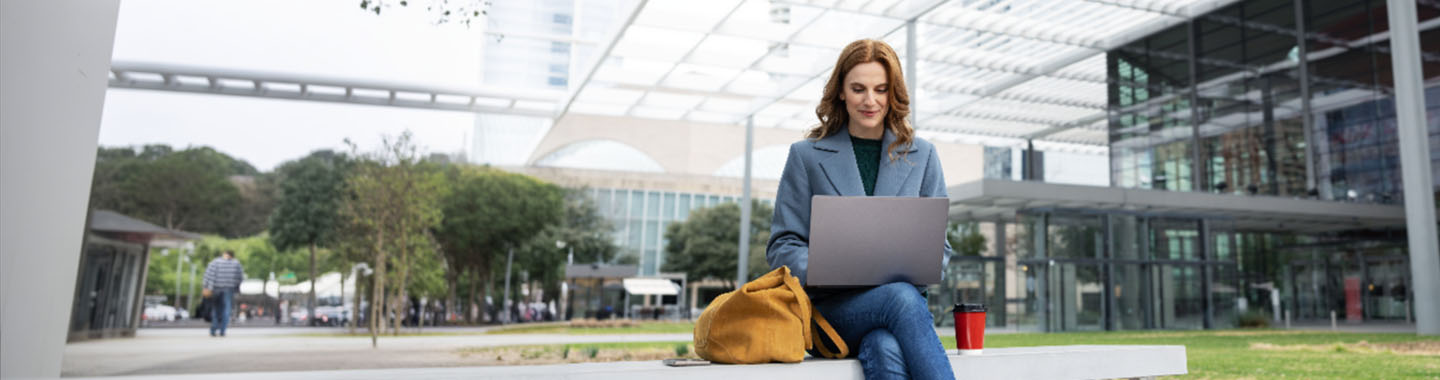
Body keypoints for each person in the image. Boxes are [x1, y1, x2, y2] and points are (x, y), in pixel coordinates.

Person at [767, 39, 955, 380]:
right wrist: (828, 265)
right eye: (858, 89)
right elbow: (783, 246)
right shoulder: (806, 156)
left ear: (893, 92)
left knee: (884, 347)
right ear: (841, 91)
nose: (871, 101)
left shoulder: (923, 155)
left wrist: (914, 262)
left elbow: (939, 248)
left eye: (881, 89)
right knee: (900, 298)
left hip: (899, 313)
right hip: (833, 313)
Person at [202, 250, 245, 337]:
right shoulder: (236, 264)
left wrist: (206, 286)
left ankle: (213, 329)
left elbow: (207, 275)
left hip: (215, 289)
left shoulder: (215, 262)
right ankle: (222, 330)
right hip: (229, 289)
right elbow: (240, 277)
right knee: (226, 309)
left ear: (224, 254)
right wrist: (236, 286)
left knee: (216, 309)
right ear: (232, 256)